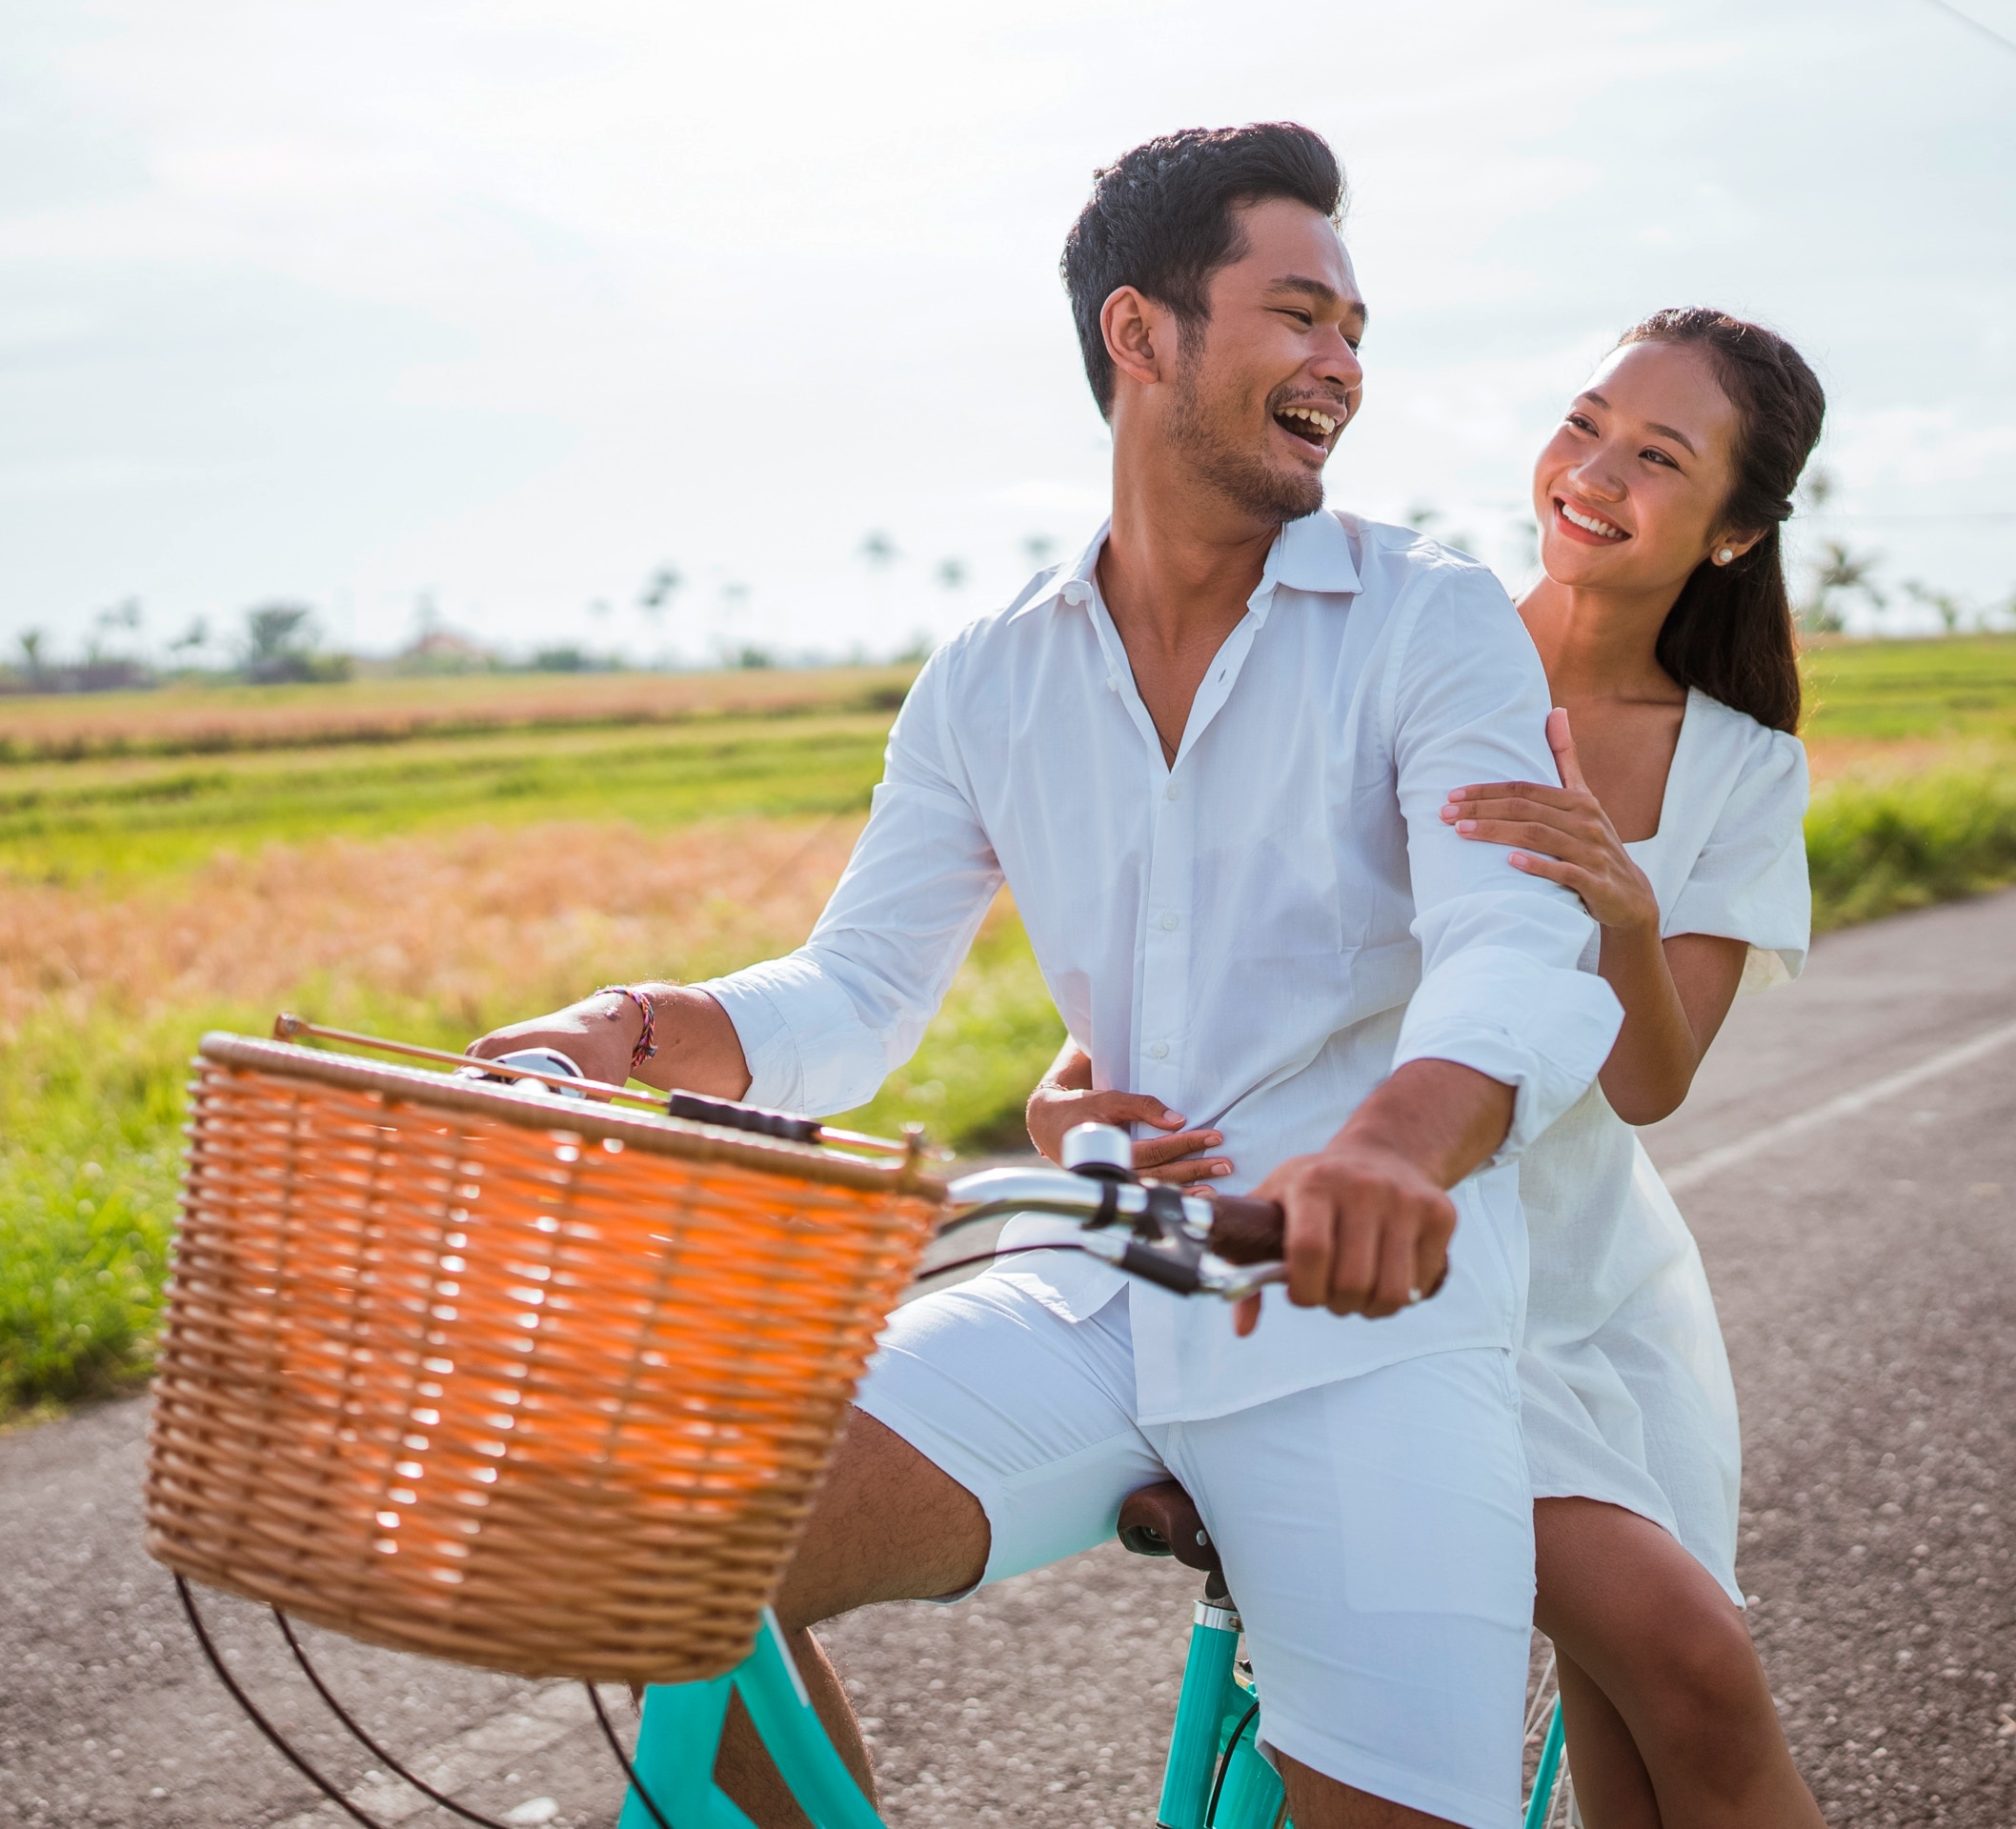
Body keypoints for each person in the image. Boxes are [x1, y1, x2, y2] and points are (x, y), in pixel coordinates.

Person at [470, 124, 1622, 1829]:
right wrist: (620, 1031)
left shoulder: (1426, 621)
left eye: (1357, 331)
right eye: (1299, 316)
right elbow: (853, 995)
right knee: (658, 1543)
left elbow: (1514, 942)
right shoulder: (991, 674)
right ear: (1138, 335)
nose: (1343, 366)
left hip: (1365, 1326)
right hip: (1107, 1281)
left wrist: (1385, 1150)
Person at [1030, 307, 1832, 1827]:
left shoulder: (1742, 765)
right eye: (1587, 422)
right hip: (1400, 1268)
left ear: (1733, 534)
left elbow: (1651, 1086)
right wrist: (1074, 1087)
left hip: (1600, 1286)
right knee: (1694, 1670)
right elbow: (1215, 926)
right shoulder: (1403, 641)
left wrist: (1628, 903)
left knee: (1648, 1730)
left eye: (1659, 457)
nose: (1594, 472)